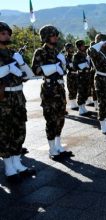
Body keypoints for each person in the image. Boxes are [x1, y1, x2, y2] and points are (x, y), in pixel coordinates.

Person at [0, 21, 36, 183]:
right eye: (3, 33)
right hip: (4, 99)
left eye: (8, 33)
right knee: (5, 132)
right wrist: (9, 68)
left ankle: (17, 163)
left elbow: (29, 75)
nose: (7, 36)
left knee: (19, 130)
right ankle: (9, 167)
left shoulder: (14, 53)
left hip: (18, 97)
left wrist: (20, 63)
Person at [32, 25, 74, 160]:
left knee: (60, 119)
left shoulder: (58, 52)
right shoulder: (40, 52)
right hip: (49, 89)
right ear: (45, 37)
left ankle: (58, 146)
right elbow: (35, 70)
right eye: (53, 35)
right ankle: (52, 150)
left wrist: (62, 65)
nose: (56, 37)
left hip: (60, 89)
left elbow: (64, 71)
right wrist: (51, 67)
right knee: (51, 120)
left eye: (56, 35)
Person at [73, 39, 91, 116]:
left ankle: (84, 107)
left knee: (86, 91)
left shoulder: (84, 54)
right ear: (79, 47)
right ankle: (81, 108)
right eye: (83, 45)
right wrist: (82, 66)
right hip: (80, 76)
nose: (84, 47)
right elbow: (74, 66)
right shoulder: (76, 56)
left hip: (86, 75)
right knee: (81, 92)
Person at [64, 43, 78, 110]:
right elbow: (69, 66)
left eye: (72, 47)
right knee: (71, 89)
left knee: (76, 88)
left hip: (76, 74)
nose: (72, 49)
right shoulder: (66, 57)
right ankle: (72, 104)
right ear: (67, 49)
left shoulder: (75, 56)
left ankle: (75, 102)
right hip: (71, 74)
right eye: (70, 48)